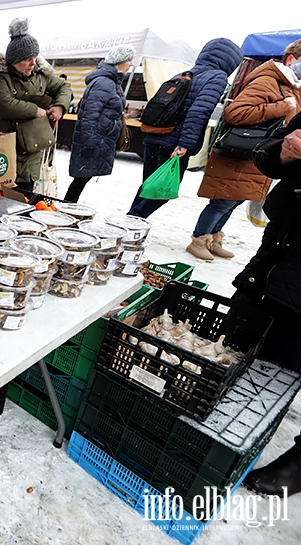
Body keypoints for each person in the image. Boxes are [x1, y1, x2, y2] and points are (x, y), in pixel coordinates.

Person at [234, 113, 301, 497]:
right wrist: (286, 152)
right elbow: (264, 154)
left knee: (289, 364)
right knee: (240, 345)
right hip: (275, 258)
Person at [187, 39, 301, 260]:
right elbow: (235, 112)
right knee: (223, 200)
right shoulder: (268, 81)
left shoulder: (293, 87)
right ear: (291, 59)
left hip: (259, 152)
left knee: (236, 198)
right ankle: (199, 239)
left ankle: (213, 238)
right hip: (241, 151)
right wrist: (279, 107)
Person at [126, 38, 243, 218]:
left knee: (149, 185)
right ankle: (130, 221)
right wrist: (184, 143)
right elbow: (200, 111)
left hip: (155, 136)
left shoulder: (184, 73)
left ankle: (130, 223)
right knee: (162, 191)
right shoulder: (217, 77)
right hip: (175, 143)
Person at [0, 18, 72, 191]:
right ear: (14, 61)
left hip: (30, 156)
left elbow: (64, 86)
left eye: (34, 57)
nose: (33, 63)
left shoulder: (41, 77)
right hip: (0, 155)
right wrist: (34, 110)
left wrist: (60, 106)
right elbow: (2, 103)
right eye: (28, 59)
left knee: (22, 206)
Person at [65, 44, 136, 202]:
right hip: (95, 141)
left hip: (100, 139)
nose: (131, 64)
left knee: (83, 178)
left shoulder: (111, 82)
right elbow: (89, 115)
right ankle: (66, 209)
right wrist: (91, 142)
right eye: (129, 60)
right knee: (81, 178)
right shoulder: (103, 83)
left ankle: (68, 207)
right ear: (119, 61)